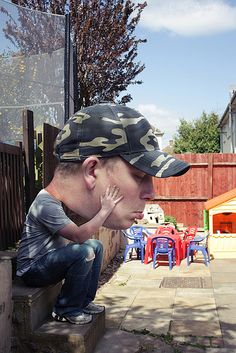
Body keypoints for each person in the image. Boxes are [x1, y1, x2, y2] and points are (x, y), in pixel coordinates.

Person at [16, 103, 190, 325]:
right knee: (83, 251)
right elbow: (78, 237)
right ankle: (66, 309)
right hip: (32, 270)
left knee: (95, 247)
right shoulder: (45, 204)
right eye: (138, 176)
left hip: (48, 262)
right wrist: (105, 209)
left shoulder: (57, 202)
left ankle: (82, 301)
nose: (151, 193)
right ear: (91, 171)